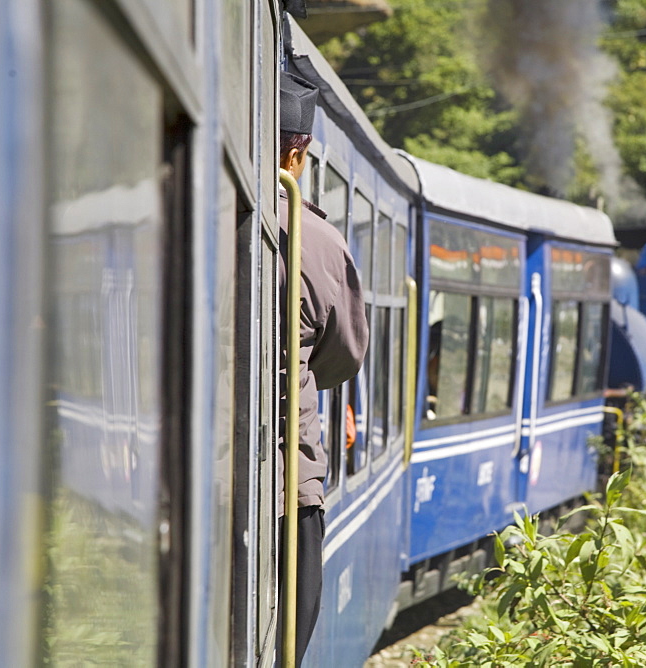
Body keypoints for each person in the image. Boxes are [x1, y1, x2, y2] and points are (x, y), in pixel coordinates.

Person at [276, 71, 368, 667]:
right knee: (288, 636)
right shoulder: (318, 241)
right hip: (288, 483)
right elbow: (344, 356)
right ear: (298, 152)